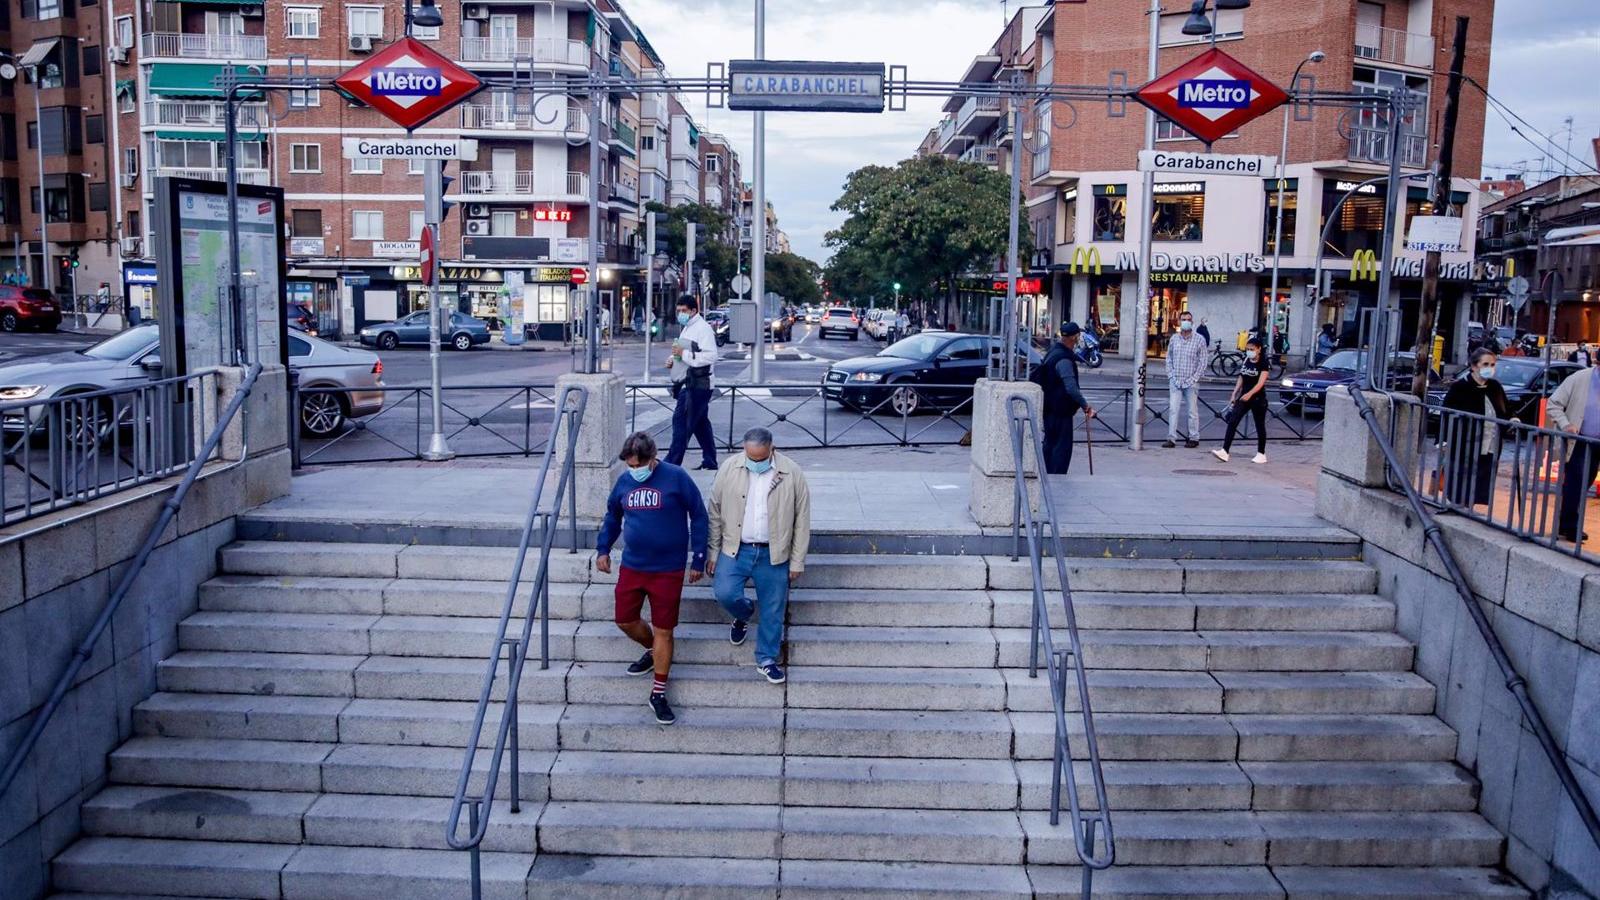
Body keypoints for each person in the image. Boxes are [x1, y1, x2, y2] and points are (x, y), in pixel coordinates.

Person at [595, 432, 708, 725]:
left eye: (638, 465)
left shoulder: (676, 477)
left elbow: (698, 514)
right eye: (630, 465)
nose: (635, 470)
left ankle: (658, 691)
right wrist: (602, 549)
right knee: (624, 620)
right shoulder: (624, 481)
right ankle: (652, 650)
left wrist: (698, 556)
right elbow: (612, 516)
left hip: (668, 569)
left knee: (664, 630)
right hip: (633, 565)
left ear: (652, 457)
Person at [707, 427, 811, 684]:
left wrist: (797, 560)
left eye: (760, 458)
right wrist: (712, 551)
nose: (755, 462)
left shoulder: (792, 472)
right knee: (724, 592)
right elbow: (715, 511)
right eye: (750, 457)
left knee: (773, 608)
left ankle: (766, 659)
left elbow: (802, 520)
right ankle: (742, 614)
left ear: (771, 449)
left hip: (773, 552)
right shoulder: (730, 468)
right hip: (735, 548)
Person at [1440, 349, 1514, 508]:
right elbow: (1446, 413)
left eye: (1492, 364)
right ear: (1474, 366)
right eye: (1485, 364)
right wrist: (1445, 439)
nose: (1490, 368)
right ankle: (1459, 505)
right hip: (1466, 442)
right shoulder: (1461, 387)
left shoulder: (1494, 386)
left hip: (1490, 442)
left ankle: (1472, 506)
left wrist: (1512, 418)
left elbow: (1505, 409)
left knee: (1483, 475)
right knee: (1463, 476)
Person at [1030, 321, 1094, 474]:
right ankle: (1056, 478)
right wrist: (1086, 406)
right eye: (1078, 337)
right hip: (1060, 411)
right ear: (1074, 338)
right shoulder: (1064, 358)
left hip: (1049, 408)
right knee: (1061, 449)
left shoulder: (1053, 351)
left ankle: (1046, 475)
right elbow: (1071, 388)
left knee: (1050, 444)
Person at [1547, 358, 1600, 543]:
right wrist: (1566, 424)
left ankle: (1567, 522)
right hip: (1581, 440)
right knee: (1576, 482)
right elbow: (1553, 404)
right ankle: (1570, 526)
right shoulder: (1579, 379)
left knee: (1587, 480)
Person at [665, 294, 719, 471]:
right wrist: (672, 360)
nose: (680, 313)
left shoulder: (702, 329)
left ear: (693, 311)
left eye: (683, 311)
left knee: (681, 422)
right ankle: (710, 461)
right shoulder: (687, 327)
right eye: (678, 310)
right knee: (700, 424)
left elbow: (711, 356)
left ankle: (671, 465)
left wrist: (683, 355)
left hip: (698, 384)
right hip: (690, 383)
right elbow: (681, 351)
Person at [1212, 336, 1270, 465]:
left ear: (1259, 349)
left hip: (1258, 398)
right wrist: (1234, 393)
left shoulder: (1263, 363)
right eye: (1247, 349)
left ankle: (1261, 453)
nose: (1249, 351)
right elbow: (1241, 377)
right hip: (1244, 396)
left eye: (1252, 349)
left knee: (1259, 425)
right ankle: (1225, 451)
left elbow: (1261, 383)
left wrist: (1250, 394)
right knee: (1233, 421)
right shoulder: (1246, 360)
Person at [1164, 310, 1206, 448]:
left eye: (1188, 319)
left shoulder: (1199, 339)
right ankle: (1171, 438)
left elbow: (1203, 362)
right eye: (1183, 319)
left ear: (1192, 322)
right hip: (1176, 380)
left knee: (1192, 411)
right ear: (1179, 321)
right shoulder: (1174, 339)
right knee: (1173, 410)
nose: (1186, 322)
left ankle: (1194, 438)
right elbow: (1168, 358)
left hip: (1191, 381)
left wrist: (1194, 379)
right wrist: (1171, 375)